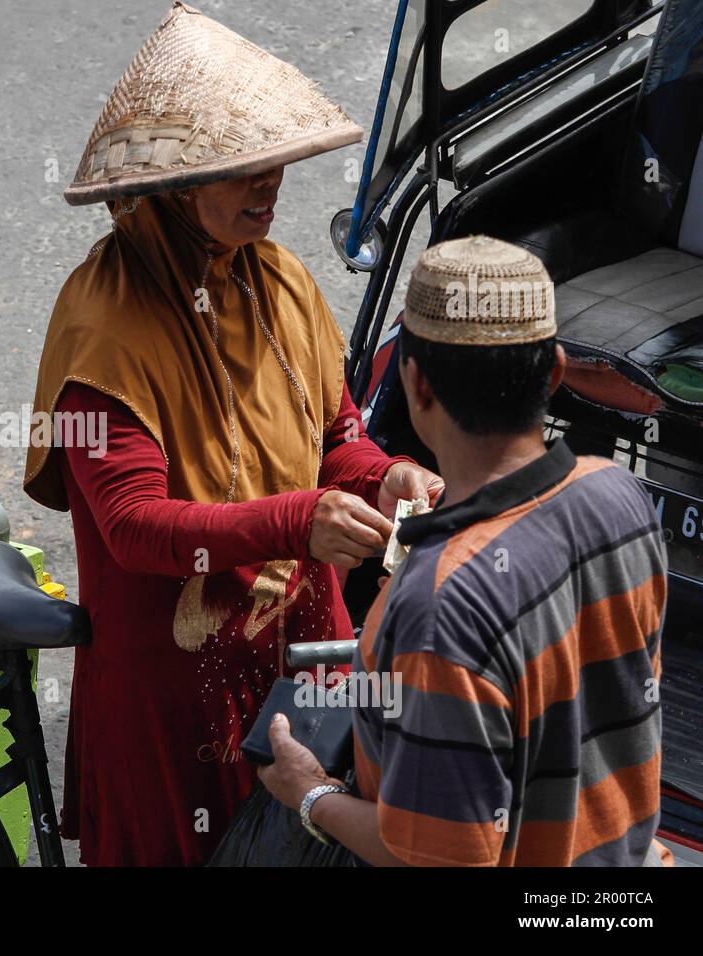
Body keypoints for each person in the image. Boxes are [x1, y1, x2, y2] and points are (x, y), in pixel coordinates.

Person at [23, 3, 441, 866]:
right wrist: (299, 521)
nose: (271, 185)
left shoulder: (280, 281)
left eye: (276, 163)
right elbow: (134, 528)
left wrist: (385, 476)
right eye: (242, 169)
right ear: (176, 186)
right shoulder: (103, 326)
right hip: (175, 693)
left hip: (304, 655)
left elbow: (334, 439)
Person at [258, 236, 671, 866]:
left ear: (416, 384)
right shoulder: (618, 496)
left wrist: (311, 792)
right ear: (556, 372)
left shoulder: (441, 602)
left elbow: (437, 859)